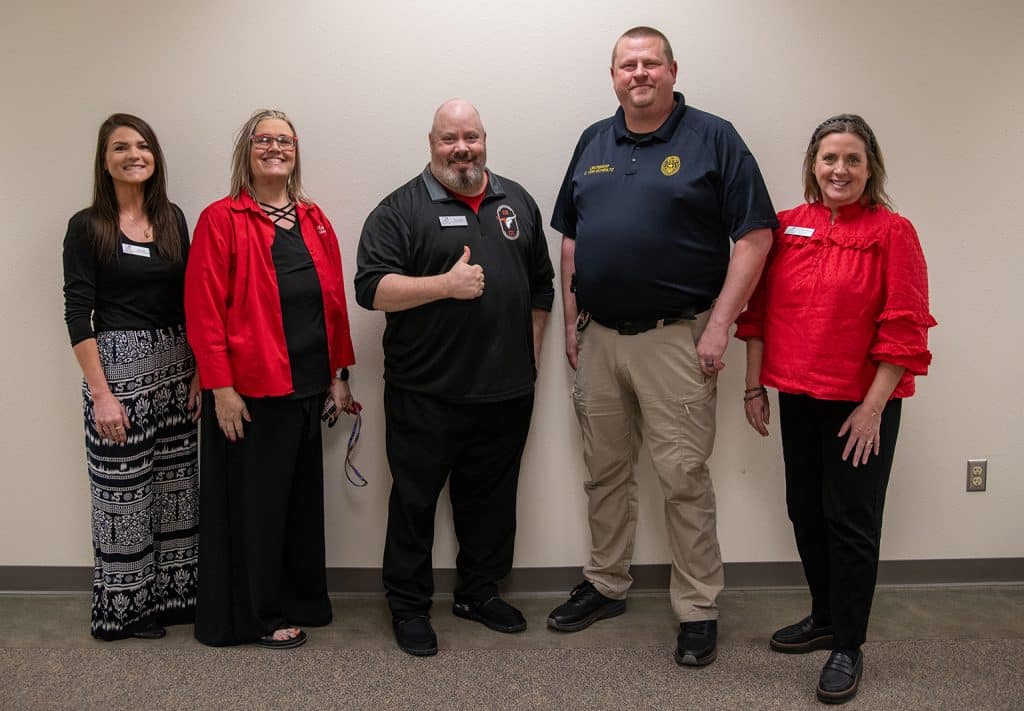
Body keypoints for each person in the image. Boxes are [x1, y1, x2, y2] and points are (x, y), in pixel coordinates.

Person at [547, 26, 777, 667]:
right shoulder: (594, 140)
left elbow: (756, 235)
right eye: (628, 64)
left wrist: (720, 325)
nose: (639, 73)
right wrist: (572, 320)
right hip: (599, 341)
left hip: (677, 338)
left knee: (682, 478)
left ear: (673, 70)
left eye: (651, 63)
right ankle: (606, 582)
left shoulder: (713, 137)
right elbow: (572, 236)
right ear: (613, 75)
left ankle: (698, 606)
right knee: (605, 472)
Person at [736, 114, 935, 704]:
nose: (839, 170)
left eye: (851, 159)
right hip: (798, 395)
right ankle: (824, 615)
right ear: (813, 165)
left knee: (851, 522)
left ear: (869, 167)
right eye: (829, 158)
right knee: (805, 510)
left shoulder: (893, 232)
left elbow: (904, 328)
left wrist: (874, 408)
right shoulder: (788, 227)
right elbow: (758, 314)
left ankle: (848, 643)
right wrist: (755, 386)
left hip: (860, 405)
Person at [354, 99, 554, 657]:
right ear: (431, 143)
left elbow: (542, 285)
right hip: (426, 393)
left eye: (471, 136)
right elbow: (369, 288)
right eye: (449, 138)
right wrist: (444, 285)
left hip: (506, 391)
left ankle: (479, 592)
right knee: (414, 503)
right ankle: (409, 606)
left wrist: (530, 349)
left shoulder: (517, 201)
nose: (461, 148)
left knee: (491, 502)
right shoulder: (400, 209)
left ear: (485, 139)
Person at [184, 109, 357, 649]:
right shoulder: (222, 218)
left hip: (307, 387)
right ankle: (255, 615)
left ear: (296, 150)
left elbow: (332, 306)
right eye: (264, 139)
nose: (275, 147)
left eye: (285, 140)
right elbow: (203, 309)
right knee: (256, 511)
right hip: (251, 394)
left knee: (299, 507)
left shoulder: (314, 218)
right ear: (247, 151)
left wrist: (338, 375)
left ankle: (301, 598)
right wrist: (221, 387)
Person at [63, 113, 200, 640]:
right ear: (105, 160)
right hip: (117, 372)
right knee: (123, 495)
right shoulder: (87, 226)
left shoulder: (172, 219)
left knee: (174, 489)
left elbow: (190, 300)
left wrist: (198, 371)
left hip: (175, 367)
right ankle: (125, 610)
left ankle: (171, 599)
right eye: (121, 147)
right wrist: (101, 394)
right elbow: (79, 312)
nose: (134, 154)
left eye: (143, 146)